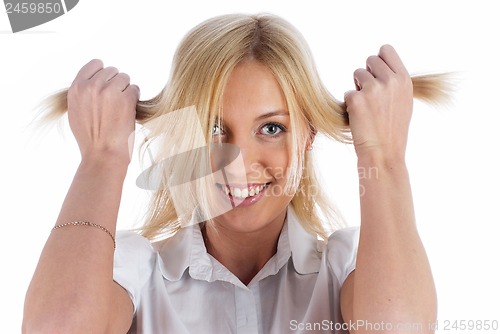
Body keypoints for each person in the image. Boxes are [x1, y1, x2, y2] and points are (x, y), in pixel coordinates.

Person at [22, 13, 449, 334]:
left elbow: (400, 327)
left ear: (307, 137)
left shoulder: (349, 267)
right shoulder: (133, 272)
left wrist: (384, 156)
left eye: (272, 128)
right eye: (211, 128)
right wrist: (101, 160)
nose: (239, 164)